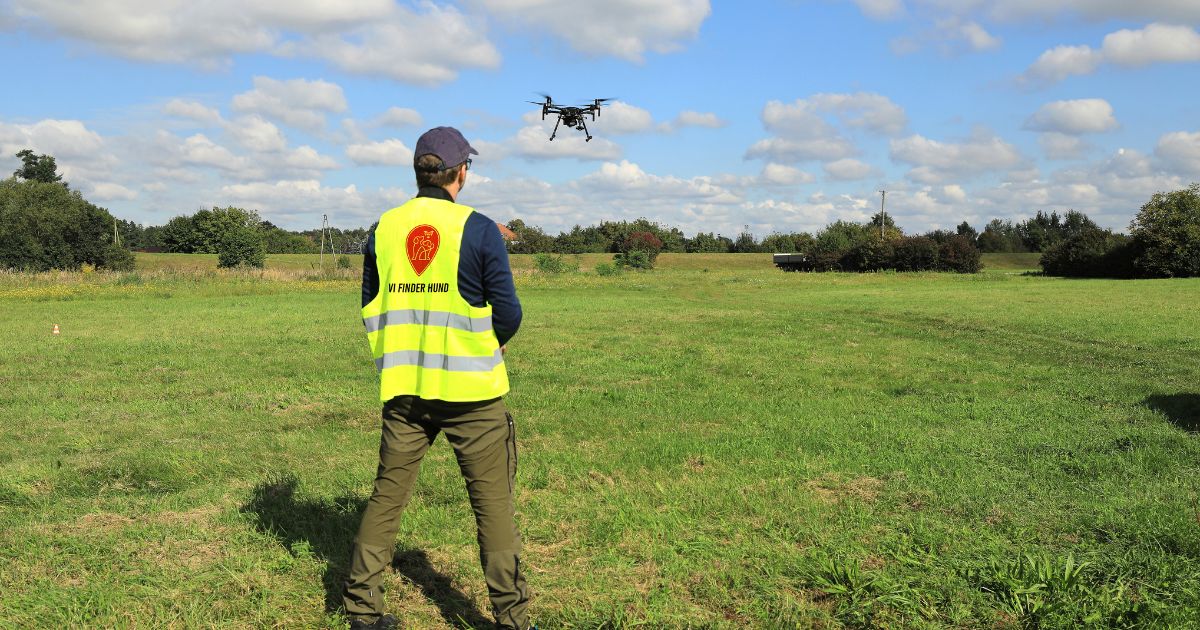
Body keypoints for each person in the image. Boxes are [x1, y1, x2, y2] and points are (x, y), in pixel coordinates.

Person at [345, 126, 530, 630]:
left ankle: (362, 608)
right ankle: (511, 619)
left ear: (419, 171)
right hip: (473, 393)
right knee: (492, 505)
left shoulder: (384, 228)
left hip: (405, 388)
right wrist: (490, 341)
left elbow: (370, 303)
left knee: (388, 493)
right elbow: (508, 313)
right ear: (460, 173)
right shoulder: (480, 228)